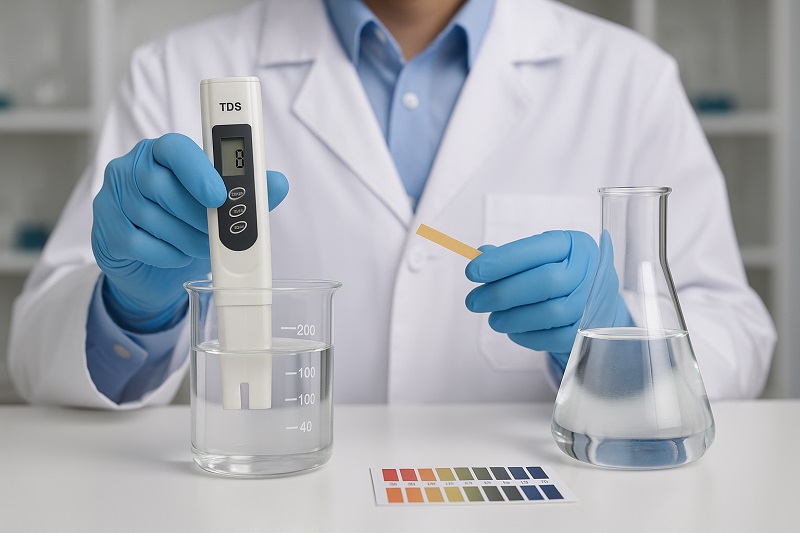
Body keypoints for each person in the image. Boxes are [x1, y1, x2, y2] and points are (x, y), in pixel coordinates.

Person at [8, 0, 775, 408]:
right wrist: (131, 309)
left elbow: (737, 334)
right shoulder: (179, 70)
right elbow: (38, 357)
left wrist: (621, 334)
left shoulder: (628, 79)